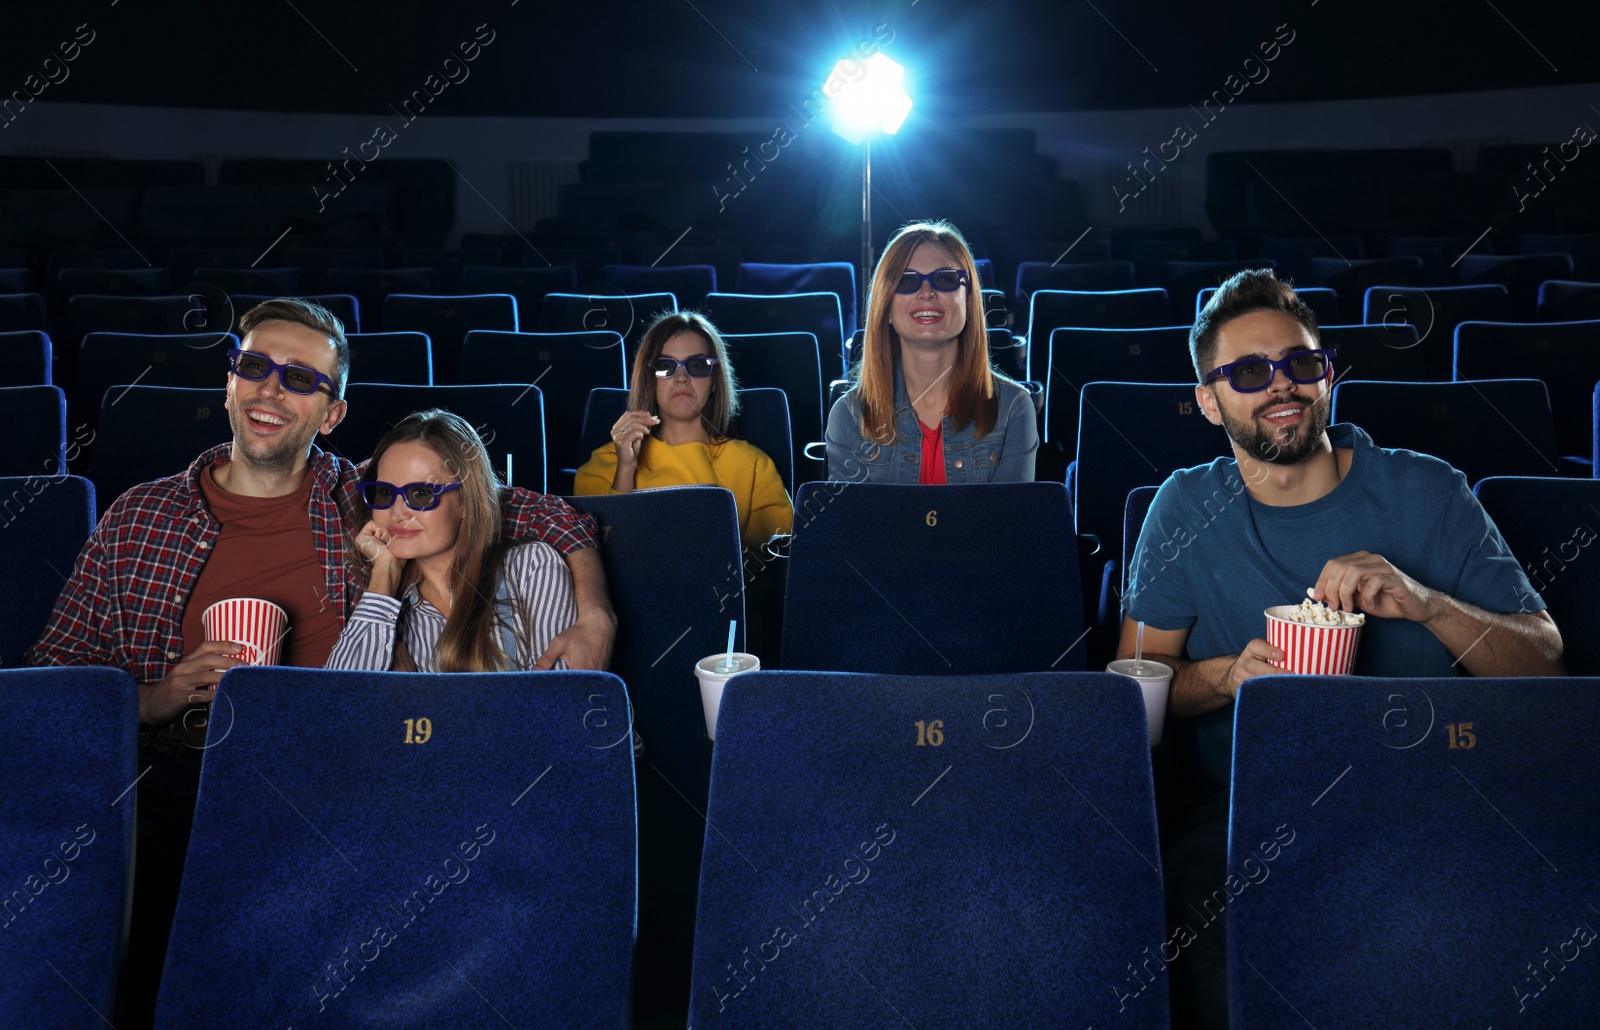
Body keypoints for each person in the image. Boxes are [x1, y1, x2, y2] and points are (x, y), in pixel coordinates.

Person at [27, 298, 615, 1028]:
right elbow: (49, 683)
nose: (271, 390)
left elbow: (529, 512)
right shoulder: (139, 517)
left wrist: (594, 610)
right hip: (181, 773)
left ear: (331, 413)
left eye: (300, 379)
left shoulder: (361, 497)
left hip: (332, 775)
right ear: (230, 382)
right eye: (254, 367)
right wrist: (152, 698)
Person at [1118, 269, 1564, 1029]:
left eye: (1301, 364)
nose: (1281, 386)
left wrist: (1428, 606)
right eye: (1250, 372)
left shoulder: (1429, 491)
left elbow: (1547, 664)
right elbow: (1137, 700)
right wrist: (1229, 678)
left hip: (1437, 809)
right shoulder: (1186, 508)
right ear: (1207, 400)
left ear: (1328, 376)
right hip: (1257, 824)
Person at [326, 409, 577, 671]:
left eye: (421, 493)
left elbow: (557, 702)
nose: (397, 514)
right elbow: (342, 701)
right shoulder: (392, 608)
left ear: (466, 502)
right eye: (384, 492)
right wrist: (384, 573)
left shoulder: (531, 567)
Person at [826, 220, 1037, 483]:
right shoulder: (848, 415)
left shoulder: (1013, 408)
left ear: (968, 301)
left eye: (945, 279)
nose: (926, 292)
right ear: (887, 308)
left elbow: (1010, 522)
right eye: (906, 281)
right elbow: (852, 524)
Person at [575, 310, 793, 551]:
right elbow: (598, 563)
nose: (681, 377)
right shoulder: (603, 464)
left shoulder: (754, 465)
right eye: (665, 366)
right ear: (649, 377)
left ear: (714, 381)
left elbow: (774, 567)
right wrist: (625, 469)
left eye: (697, 365)